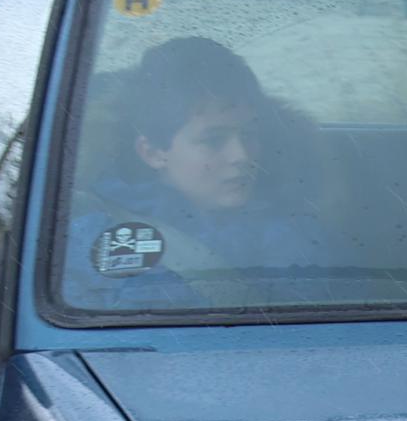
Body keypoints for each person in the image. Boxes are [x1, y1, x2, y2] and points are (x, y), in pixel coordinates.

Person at [63, 36, 336, 306]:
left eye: (250, 134)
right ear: (153, 152)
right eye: (213, 140)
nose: (242, 156)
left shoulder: (299, 226)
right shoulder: (94, 239)